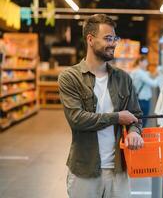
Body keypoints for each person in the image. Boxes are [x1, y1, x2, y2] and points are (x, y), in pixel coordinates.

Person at [58, 14, 144, 198]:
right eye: (107, 38)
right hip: (85, 170)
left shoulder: (123, 79)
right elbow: (77, 119)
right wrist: (117, 117)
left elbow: (136, 116)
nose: (113, 43)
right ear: (90, 39)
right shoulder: (70, 77)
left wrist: (135, 131)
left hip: (119, 170)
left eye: (114, 38)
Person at [130, 55, 160, 126]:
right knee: (143, 122)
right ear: (140, 62)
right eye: (145, 61)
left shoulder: (135, 72)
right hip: (143, 101)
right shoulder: (140, 73)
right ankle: (140, 135)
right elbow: (154, 84)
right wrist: (159, 77)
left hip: (139, 100)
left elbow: (146, 75)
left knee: (139, 121)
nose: (147, 63)